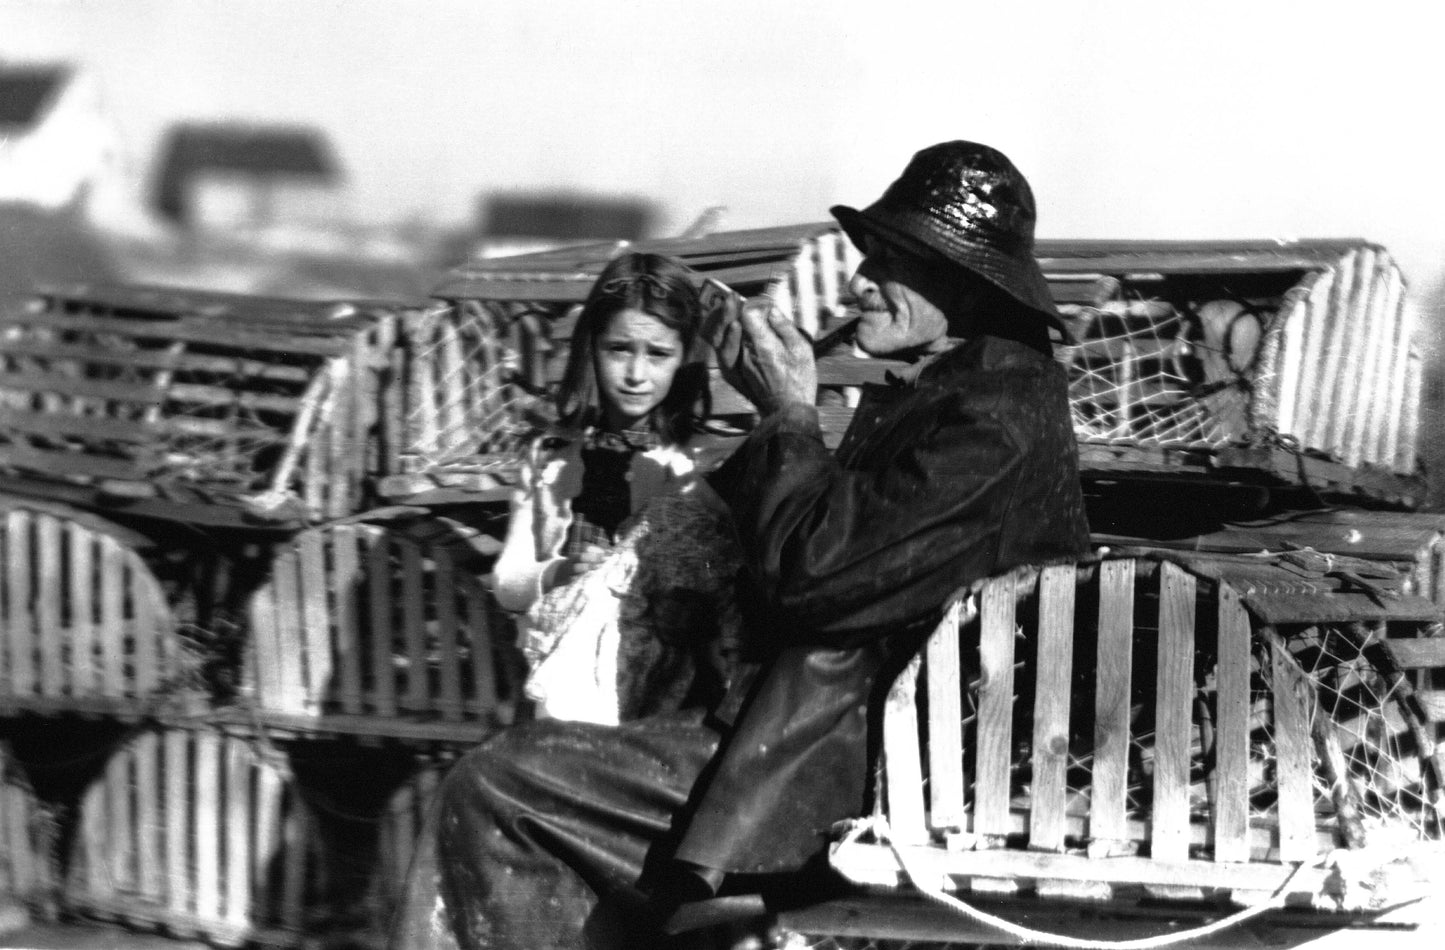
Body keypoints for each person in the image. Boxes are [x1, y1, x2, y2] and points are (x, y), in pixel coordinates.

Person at [388, 140, 1091, 950]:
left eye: (890, 264)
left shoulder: (993, 416)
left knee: (499, 789)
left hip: (875, 765)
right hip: (835, 739)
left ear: (964, 288)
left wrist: (790, 414)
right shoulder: (968, 395)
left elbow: (813, 576)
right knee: (526, 782)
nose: (860, 283)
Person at [492, 250, 742, 724]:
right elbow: (508, 582)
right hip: (562, 691)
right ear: (592, 346)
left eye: (659, 355)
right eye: (619, 349)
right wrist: (560, 574)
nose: (635, 375)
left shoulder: (699, 466)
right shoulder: (550, 457)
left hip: (667, 695)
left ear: (685, 359)